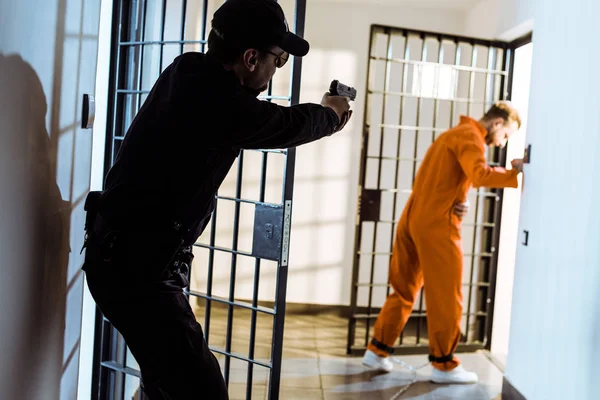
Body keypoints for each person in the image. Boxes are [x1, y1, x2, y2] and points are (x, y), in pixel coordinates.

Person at [81, 0, 352, 398]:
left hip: (129, 259)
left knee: (165, 378)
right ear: (251, 57)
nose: (276, 72)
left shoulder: (188, 71)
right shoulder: (218, 101)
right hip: (136, 271)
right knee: (202, 389)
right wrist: (329, 115)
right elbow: (277, 124)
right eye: (278, 61)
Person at [361, 102, 524, 384]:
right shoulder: (472, 138)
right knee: (446, 295)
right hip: (438, 226)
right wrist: (516, 172)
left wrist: (460, 201)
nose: (502, 141)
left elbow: (444, 181)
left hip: (412, 219)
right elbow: (480, 174)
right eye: (506, 135)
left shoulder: (452, 134)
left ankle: (377, 350)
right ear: (497, 123)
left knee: (403, 290)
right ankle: (444, 364)